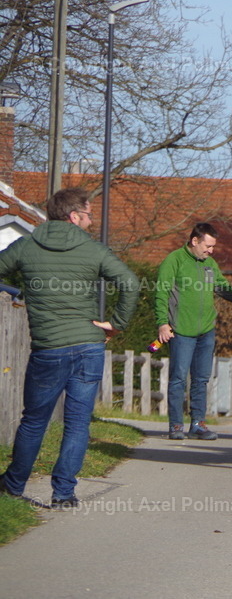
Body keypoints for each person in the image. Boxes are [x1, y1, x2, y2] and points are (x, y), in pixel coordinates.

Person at [0, 188, 140, 508]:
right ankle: (63, 493)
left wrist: (14, 290)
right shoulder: (93, 250)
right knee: (78, 423)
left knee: (34, 420)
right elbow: (130, 284)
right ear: (74, 216)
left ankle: (14, 485)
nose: (91, 221)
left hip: (48, 349)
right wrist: (116, 323)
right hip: (89, 346)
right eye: (89, 215)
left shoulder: (26, 245)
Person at [155, 223, 232, 441]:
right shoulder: (174, 261)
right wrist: (163, 323)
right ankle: (176, 426)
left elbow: (225, 290)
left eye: (213, 247)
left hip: (206, 332)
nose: (211, 250)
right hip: (181, 331)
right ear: (195, 241)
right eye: (208, 246)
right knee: (179, 378)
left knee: (201, 379)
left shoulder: (210, 264)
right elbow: (161, 293)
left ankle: (198, 424)